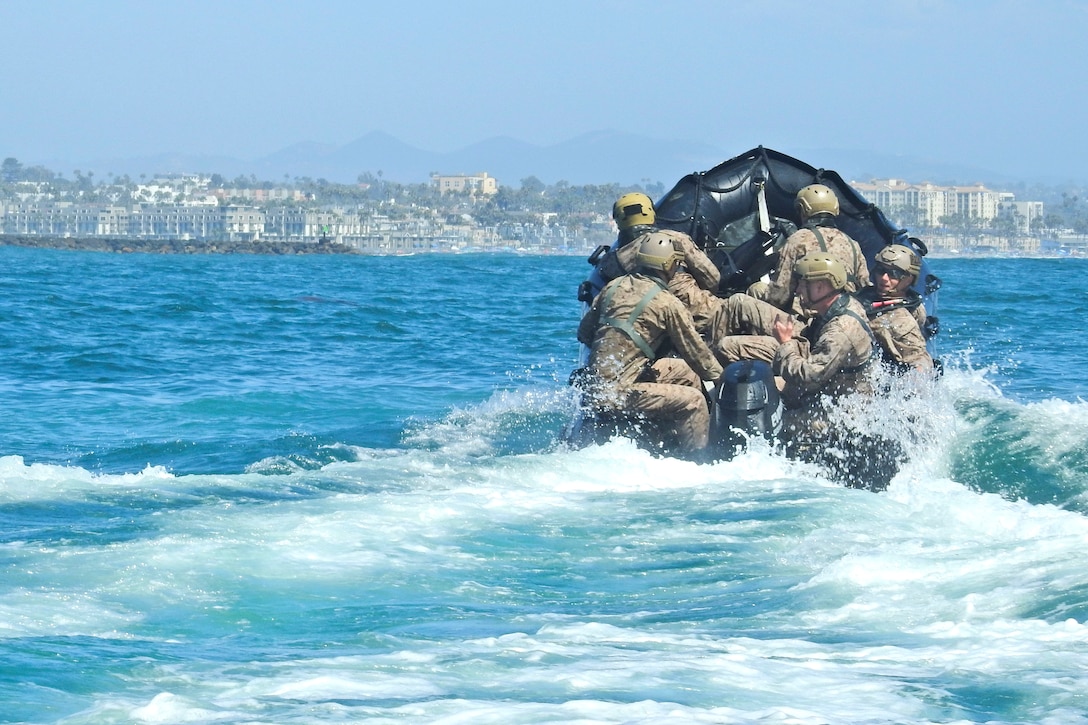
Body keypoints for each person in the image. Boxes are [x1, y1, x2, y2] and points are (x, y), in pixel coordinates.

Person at [576, 232, 724, 456]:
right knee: (693, 401)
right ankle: (697, 459)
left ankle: (670, 436)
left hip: (598, 387)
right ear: (670, 266)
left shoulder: (613, 287)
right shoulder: (668, 304)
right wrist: (725, 381)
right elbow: (699, 358)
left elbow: (584, 333)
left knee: (685, 374)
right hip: (619, 393)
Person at [770, 252, 897, 490]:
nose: (797, 290)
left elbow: (809, 376)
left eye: (802, 284)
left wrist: (786, 343)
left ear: (820, 287)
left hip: (846, 413)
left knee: (779, 421)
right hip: (836, 395)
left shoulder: (840, 329)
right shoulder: (844, 305)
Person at [596, 194, 721, 333]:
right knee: (740, 305)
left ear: (619, 220)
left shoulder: (612, 261)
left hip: (651, 328)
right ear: (650, 213)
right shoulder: (676, 239)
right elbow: (712, 279)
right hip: (701, 317)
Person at [751, 184, 870, 313]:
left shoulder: (798, 240)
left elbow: (779, 295)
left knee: (756, 289)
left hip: (806, 319)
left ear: (804, 209)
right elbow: (863, 286)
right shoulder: (852, 244)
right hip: (845, 312)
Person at [855, 244, 933, 374]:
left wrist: (917, 374)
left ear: (909, 279)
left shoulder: (900, 319)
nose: (884, 278)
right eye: (880, 271)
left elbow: (919, 358)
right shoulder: (866, 295)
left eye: (893, 274)